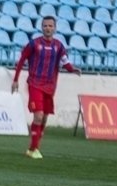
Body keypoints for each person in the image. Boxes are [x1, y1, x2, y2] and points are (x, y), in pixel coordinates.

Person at [12, 16, 81, 159]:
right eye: (45, 26)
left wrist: (72, 69)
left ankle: (34, 148)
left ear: (55, 28)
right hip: (35, 84)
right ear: (41, 27)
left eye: (50, 26)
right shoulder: (33, 44)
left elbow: (65, 62)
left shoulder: (59, 46)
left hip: (50, 86)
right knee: (38, 115)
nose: (48, 28)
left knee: (44, 119)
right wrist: (15, 80)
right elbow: (21, 61)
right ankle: (33, 149)